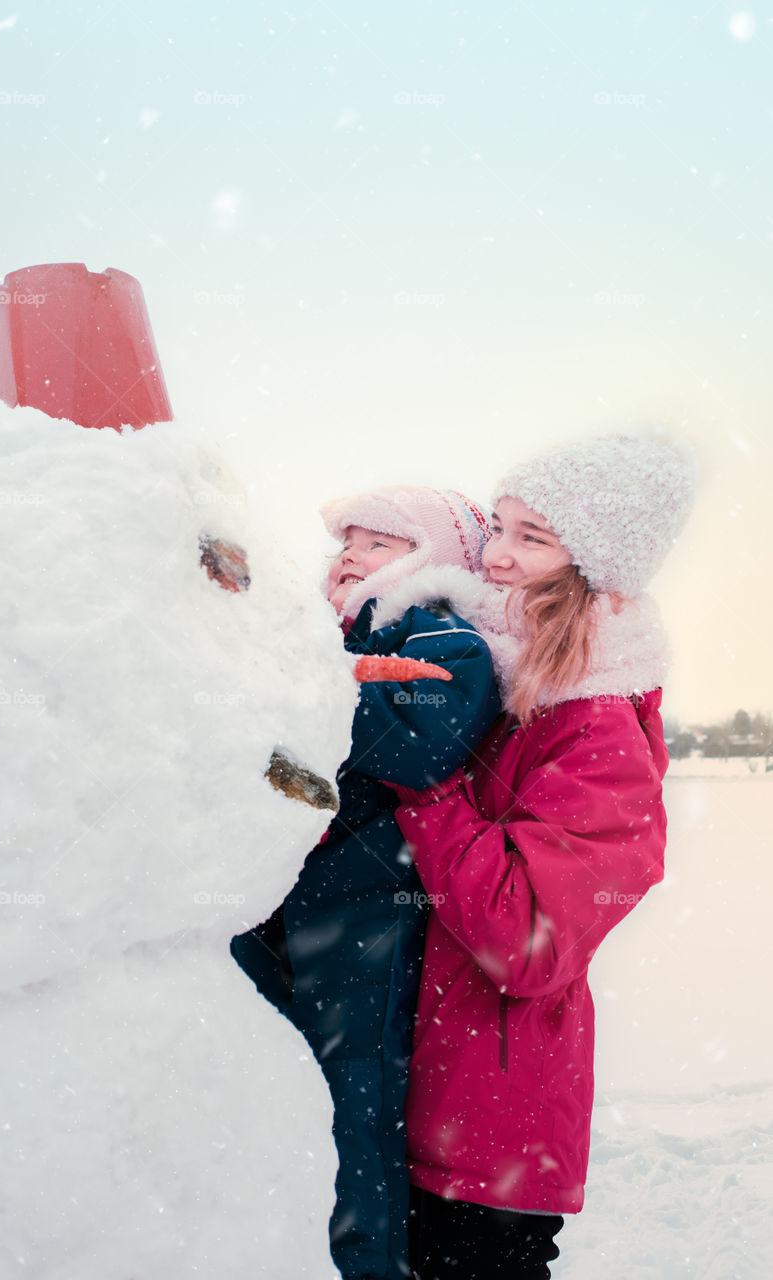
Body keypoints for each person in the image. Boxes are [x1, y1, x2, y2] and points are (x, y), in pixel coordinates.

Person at [391, 434, 697, 1280]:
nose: (495, 556)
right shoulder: (488, 680)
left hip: (489, 1130)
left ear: (593, 565)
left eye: (533, 538)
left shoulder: (595, 727)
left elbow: (528, 940)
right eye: (499, 526)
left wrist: (426, 788)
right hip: (416, 1095)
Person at [231, 486, 501, 1280]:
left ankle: (366, 1263)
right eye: (346, 541)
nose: (351, 554)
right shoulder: (319, 635)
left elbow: (417, 749)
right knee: (265, 1076)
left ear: (432, 557)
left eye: (378, 542)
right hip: (274, 895)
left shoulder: (447, 638)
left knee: (353, 1093)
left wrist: (314, 683)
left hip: (364, 905)